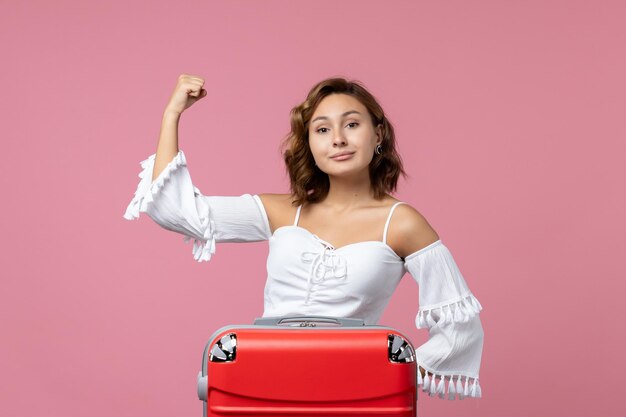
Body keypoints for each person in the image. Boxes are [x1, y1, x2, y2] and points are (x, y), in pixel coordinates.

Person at [124, 74, 484, 400]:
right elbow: (176, 210)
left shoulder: (402, 223)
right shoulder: (282, 211)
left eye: (352, 124)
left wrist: (388, 376)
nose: (338, 139)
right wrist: (172, 115)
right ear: (309, 143)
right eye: (322, 130)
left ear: (378, 135)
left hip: (351, 393)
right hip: (262, 383)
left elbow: (461, 327)